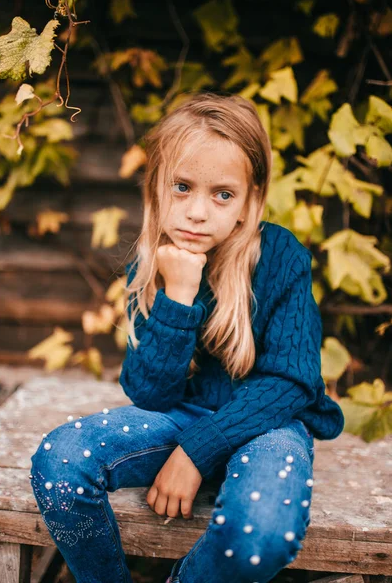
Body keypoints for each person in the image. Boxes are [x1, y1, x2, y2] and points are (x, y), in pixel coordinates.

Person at [29, 92, 345, 583]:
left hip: (271, 426)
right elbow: (151, 394)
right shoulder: (153, 262)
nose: (198, 212)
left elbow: (290, 382)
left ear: (250, 201)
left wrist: (197, 451)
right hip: (179, 417)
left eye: (222, 194)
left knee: (258, 538)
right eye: (182, 187)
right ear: (156, 188)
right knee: (60, 461)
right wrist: (177, 295)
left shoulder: (281, 256)